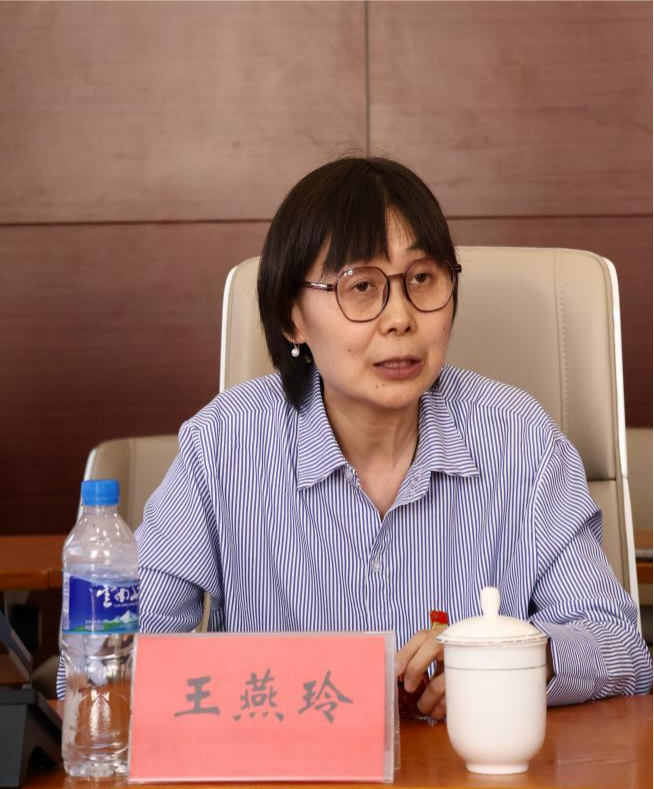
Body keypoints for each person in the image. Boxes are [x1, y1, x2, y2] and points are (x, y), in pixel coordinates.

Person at [95, 157, 654, 712]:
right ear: (292, 318)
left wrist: (517, 657)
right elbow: (109, 662)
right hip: (285, 759)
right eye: (360, 285)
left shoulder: (521, 440)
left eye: (422, 279)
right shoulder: (224, 446)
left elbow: (622, 648)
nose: (400, 318)